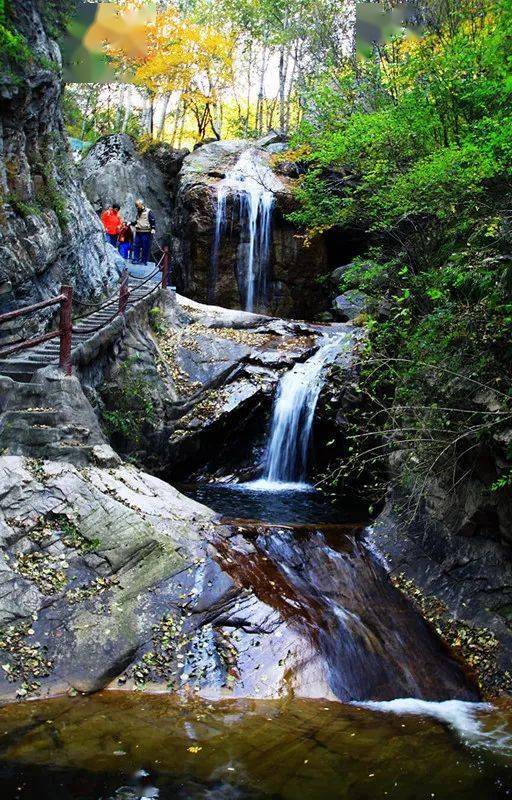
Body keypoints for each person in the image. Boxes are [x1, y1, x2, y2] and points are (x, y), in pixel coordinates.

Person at [132, 199, 156, 266]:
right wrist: (130, 223)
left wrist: (153, 228)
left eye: (138, 206)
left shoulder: (148, 211)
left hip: (146, 232)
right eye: (136, 206)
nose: (137, 207)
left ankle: (144, 261)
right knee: (136, 245)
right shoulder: (138, 212)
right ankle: (136, 259)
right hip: (138, 231)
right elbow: (137, 221)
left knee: (145, 247)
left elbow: (152, 220)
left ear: (141, 205)